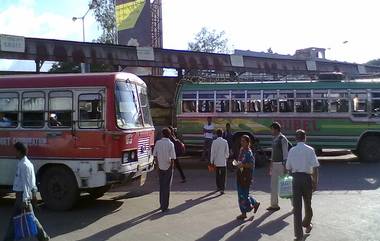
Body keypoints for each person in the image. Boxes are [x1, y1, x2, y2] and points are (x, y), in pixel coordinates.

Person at [3, 142, 50, 241]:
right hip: (22, 197)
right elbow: (32, 183)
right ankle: (44, 238)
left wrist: (25, 200)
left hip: (22, 197)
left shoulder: (24, 165)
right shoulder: (27, 163)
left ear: (19, 151)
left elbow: (25, 184)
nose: (14, 153)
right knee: (21, 219)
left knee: (30, 219)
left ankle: (44, 238)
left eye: (15, 151)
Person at [286, 130, 320, 241]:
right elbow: (315, 167)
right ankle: (307, 223)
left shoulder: (292, 150)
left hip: (295, 179)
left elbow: (288, 167)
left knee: (297, 208)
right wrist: (315, 181)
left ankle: (299, 235)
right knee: (308, 203)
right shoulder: (310, 150)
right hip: (306, 178)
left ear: (296, 139)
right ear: (305, 138)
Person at [235, 135, 260, 220]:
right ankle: (244, 212)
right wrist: (237, 163)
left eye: (243, 141)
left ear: (248, 142)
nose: (241, 142)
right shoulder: (241, 150)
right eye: (241, 141)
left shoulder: (249, 153)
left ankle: (250, 206)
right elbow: (240, 160)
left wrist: (243, 165)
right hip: (240, 174)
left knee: (245, 194)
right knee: (240, 194)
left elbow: (251, 165)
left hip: (246, 176)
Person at [267, 122, 290, 212]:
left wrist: (285, 167)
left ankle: (294, 205)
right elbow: (273, 153)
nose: (271, 131)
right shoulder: (274, 139)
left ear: (276, 129)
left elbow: (285, 154)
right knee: (273, 185)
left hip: (281, 164)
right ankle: (274, 205)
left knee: (286, 186)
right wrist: (271, 164)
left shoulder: (282, 139)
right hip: (275, 164)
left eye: (272, 129)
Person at [153, 128, 176, 212]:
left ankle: (161, 204)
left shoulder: (158, 143)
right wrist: (172, 167)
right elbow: (173, 158)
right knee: (167, 187)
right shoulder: (171, 144)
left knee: (161, 186)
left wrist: (157, 166)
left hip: (160, 167)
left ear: (162, 134)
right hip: (168, 167)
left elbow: (155, 155)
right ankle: (165, 206)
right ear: (169, 135)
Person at [210, 129, 229, 194]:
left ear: (216, 134)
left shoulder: (214, 142)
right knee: (223, 176)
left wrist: (211, 161)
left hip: (216, 162)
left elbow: (212, 152)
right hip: (223, 162)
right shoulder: (225, 142)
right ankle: (222, 189)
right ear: (222, 134)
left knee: (217, 175)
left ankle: (218, 187)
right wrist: (226, 157)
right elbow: (227, 153)